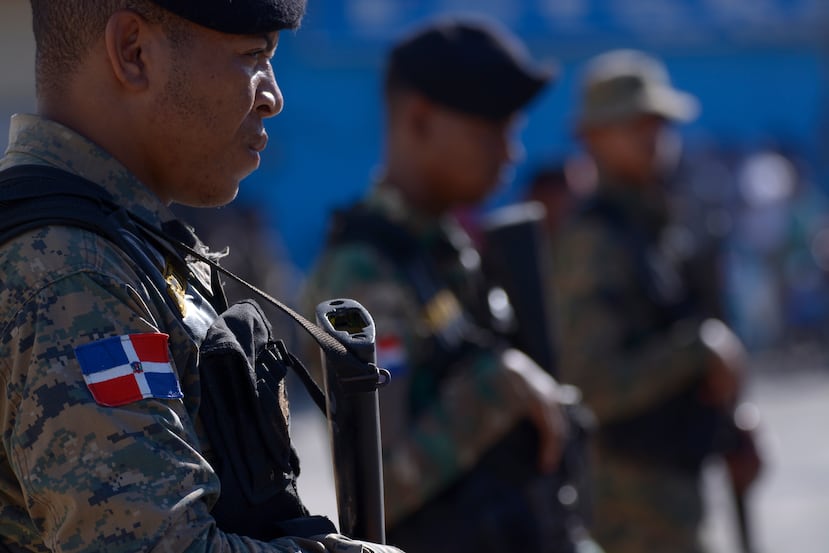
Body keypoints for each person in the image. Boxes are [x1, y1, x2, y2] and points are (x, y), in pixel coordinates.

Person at [0, 1, 404, 552]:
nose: (273, 96)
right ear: (134, 53)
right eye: (253, 55)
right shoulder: (72, 272)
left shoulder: (114, 245)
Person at [302, 16, 602, 553]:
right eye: (493, 131)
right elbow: (378, 493)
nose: (512, 153)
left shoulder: (444, 251)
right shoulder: (362, 274)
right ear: (419, 119)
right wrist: (496, 387)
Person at [551, 49, 762, 553]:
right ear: (593, 138)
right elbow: (590, 384)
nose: (653, 138)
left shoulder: (658, 225)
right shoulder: (595, 240)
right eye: (633, 124)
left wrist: (734, 423)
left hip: (673, 491)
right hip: (626, 509)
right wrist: (698, 350)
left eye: (658, 124)